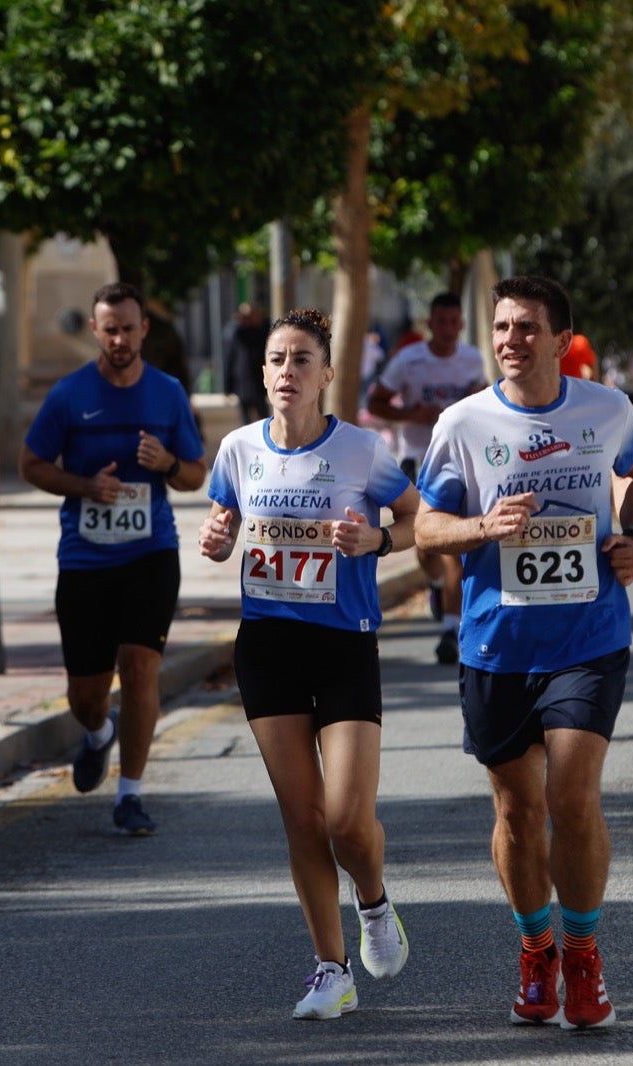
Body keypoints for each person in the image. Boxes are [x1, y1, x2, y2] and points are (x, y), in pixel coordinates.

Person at [416, 275, 633, 1030]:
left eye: (526, 327)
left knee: (573, 798)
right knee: (518, 815)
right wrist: (483, 528)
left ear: (560, 339)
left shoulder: (607, 409)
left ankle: (582, 955)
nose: (510, 340)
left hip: (589, 635)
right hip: (496, 643)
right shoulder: (463, 423)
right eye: (502, 327)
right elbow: (426, 527)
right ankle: (535, 949)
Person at [197, 308, 417, 1020]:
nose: (287, 372)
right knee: (301, 817)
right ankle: (331, 968)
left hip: (343, 641)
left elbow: (417, 519)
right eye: (276, 360)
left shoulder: (362, 450)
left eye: (301, 360)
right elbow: (225, 527)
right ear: (261, 373)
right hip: (267, 644)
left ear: (326, 374)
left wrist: (375, 542)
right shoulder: (236, 450)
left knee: (348, 821)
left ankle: (375, 902)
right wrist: (215, 537)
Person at [19, 282, 207, 835]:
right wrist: (82, 485)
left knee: (141, 665)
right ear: (95, 331)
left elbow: (196, 474)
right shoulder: (69, 395)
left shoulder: (169, 393)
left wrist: (168, 460)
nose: (120, 338)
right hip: (85, 561)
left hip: (151, 553)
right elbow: (31, 463)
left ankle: (131, 794)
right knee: (86, 692)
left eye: (129, 327)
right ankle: (99, 732)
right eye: (110, 329)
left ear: (143, 329)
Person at [366, 292, 486, 664]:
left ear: (461, 324)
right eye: (442, 321)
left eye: (454, 321)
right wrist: (412, 415)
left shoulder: (472, 358)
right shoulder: (409, 360)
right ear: (430, 324)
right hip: (418, 459)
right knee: (423, 544)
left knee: (452, 546)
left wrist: (474, 397)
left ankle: (451, 629)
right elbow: (375, 403)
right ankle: (436, 587)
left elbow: (483, 398)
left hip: (460, 461)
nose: (449, 328)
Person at [222, 302, 271, 425]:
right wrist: (227, 386)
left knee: (265, 421)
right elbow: (229, 359)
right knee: (245, 423)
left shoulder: (263, 332)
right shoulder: (236, 334)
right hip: (242, 385)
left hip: (259, 384)